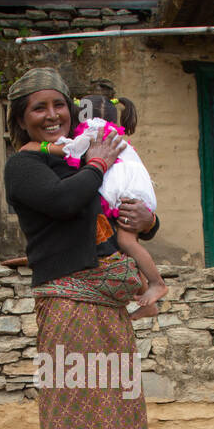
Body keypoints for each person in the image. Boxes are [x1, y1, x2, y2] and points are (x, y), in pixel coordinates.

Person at [2, 67, 161, 429]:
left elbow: (120, 214)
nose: (52, 115)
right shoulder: (25, 167)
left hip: (107, 308)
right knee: (77, 416)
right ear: (21, 119)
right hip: (69, 305)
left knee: (119, 413)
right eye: (38, 108)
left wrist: (148, 221)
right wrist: (95, 165)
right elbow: (65, 203)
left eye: (58, 105)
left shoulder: (81, 158)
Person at [22, 94, 167, 316]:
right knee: (126, 245)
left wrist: (36, 146)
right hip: (130, 190)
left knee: (126, 242)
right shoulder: (114, 136)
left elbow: (69, 150)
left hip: (124, 193)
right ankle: (150, 301)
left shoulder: (92, 133)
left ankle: (157, 283)